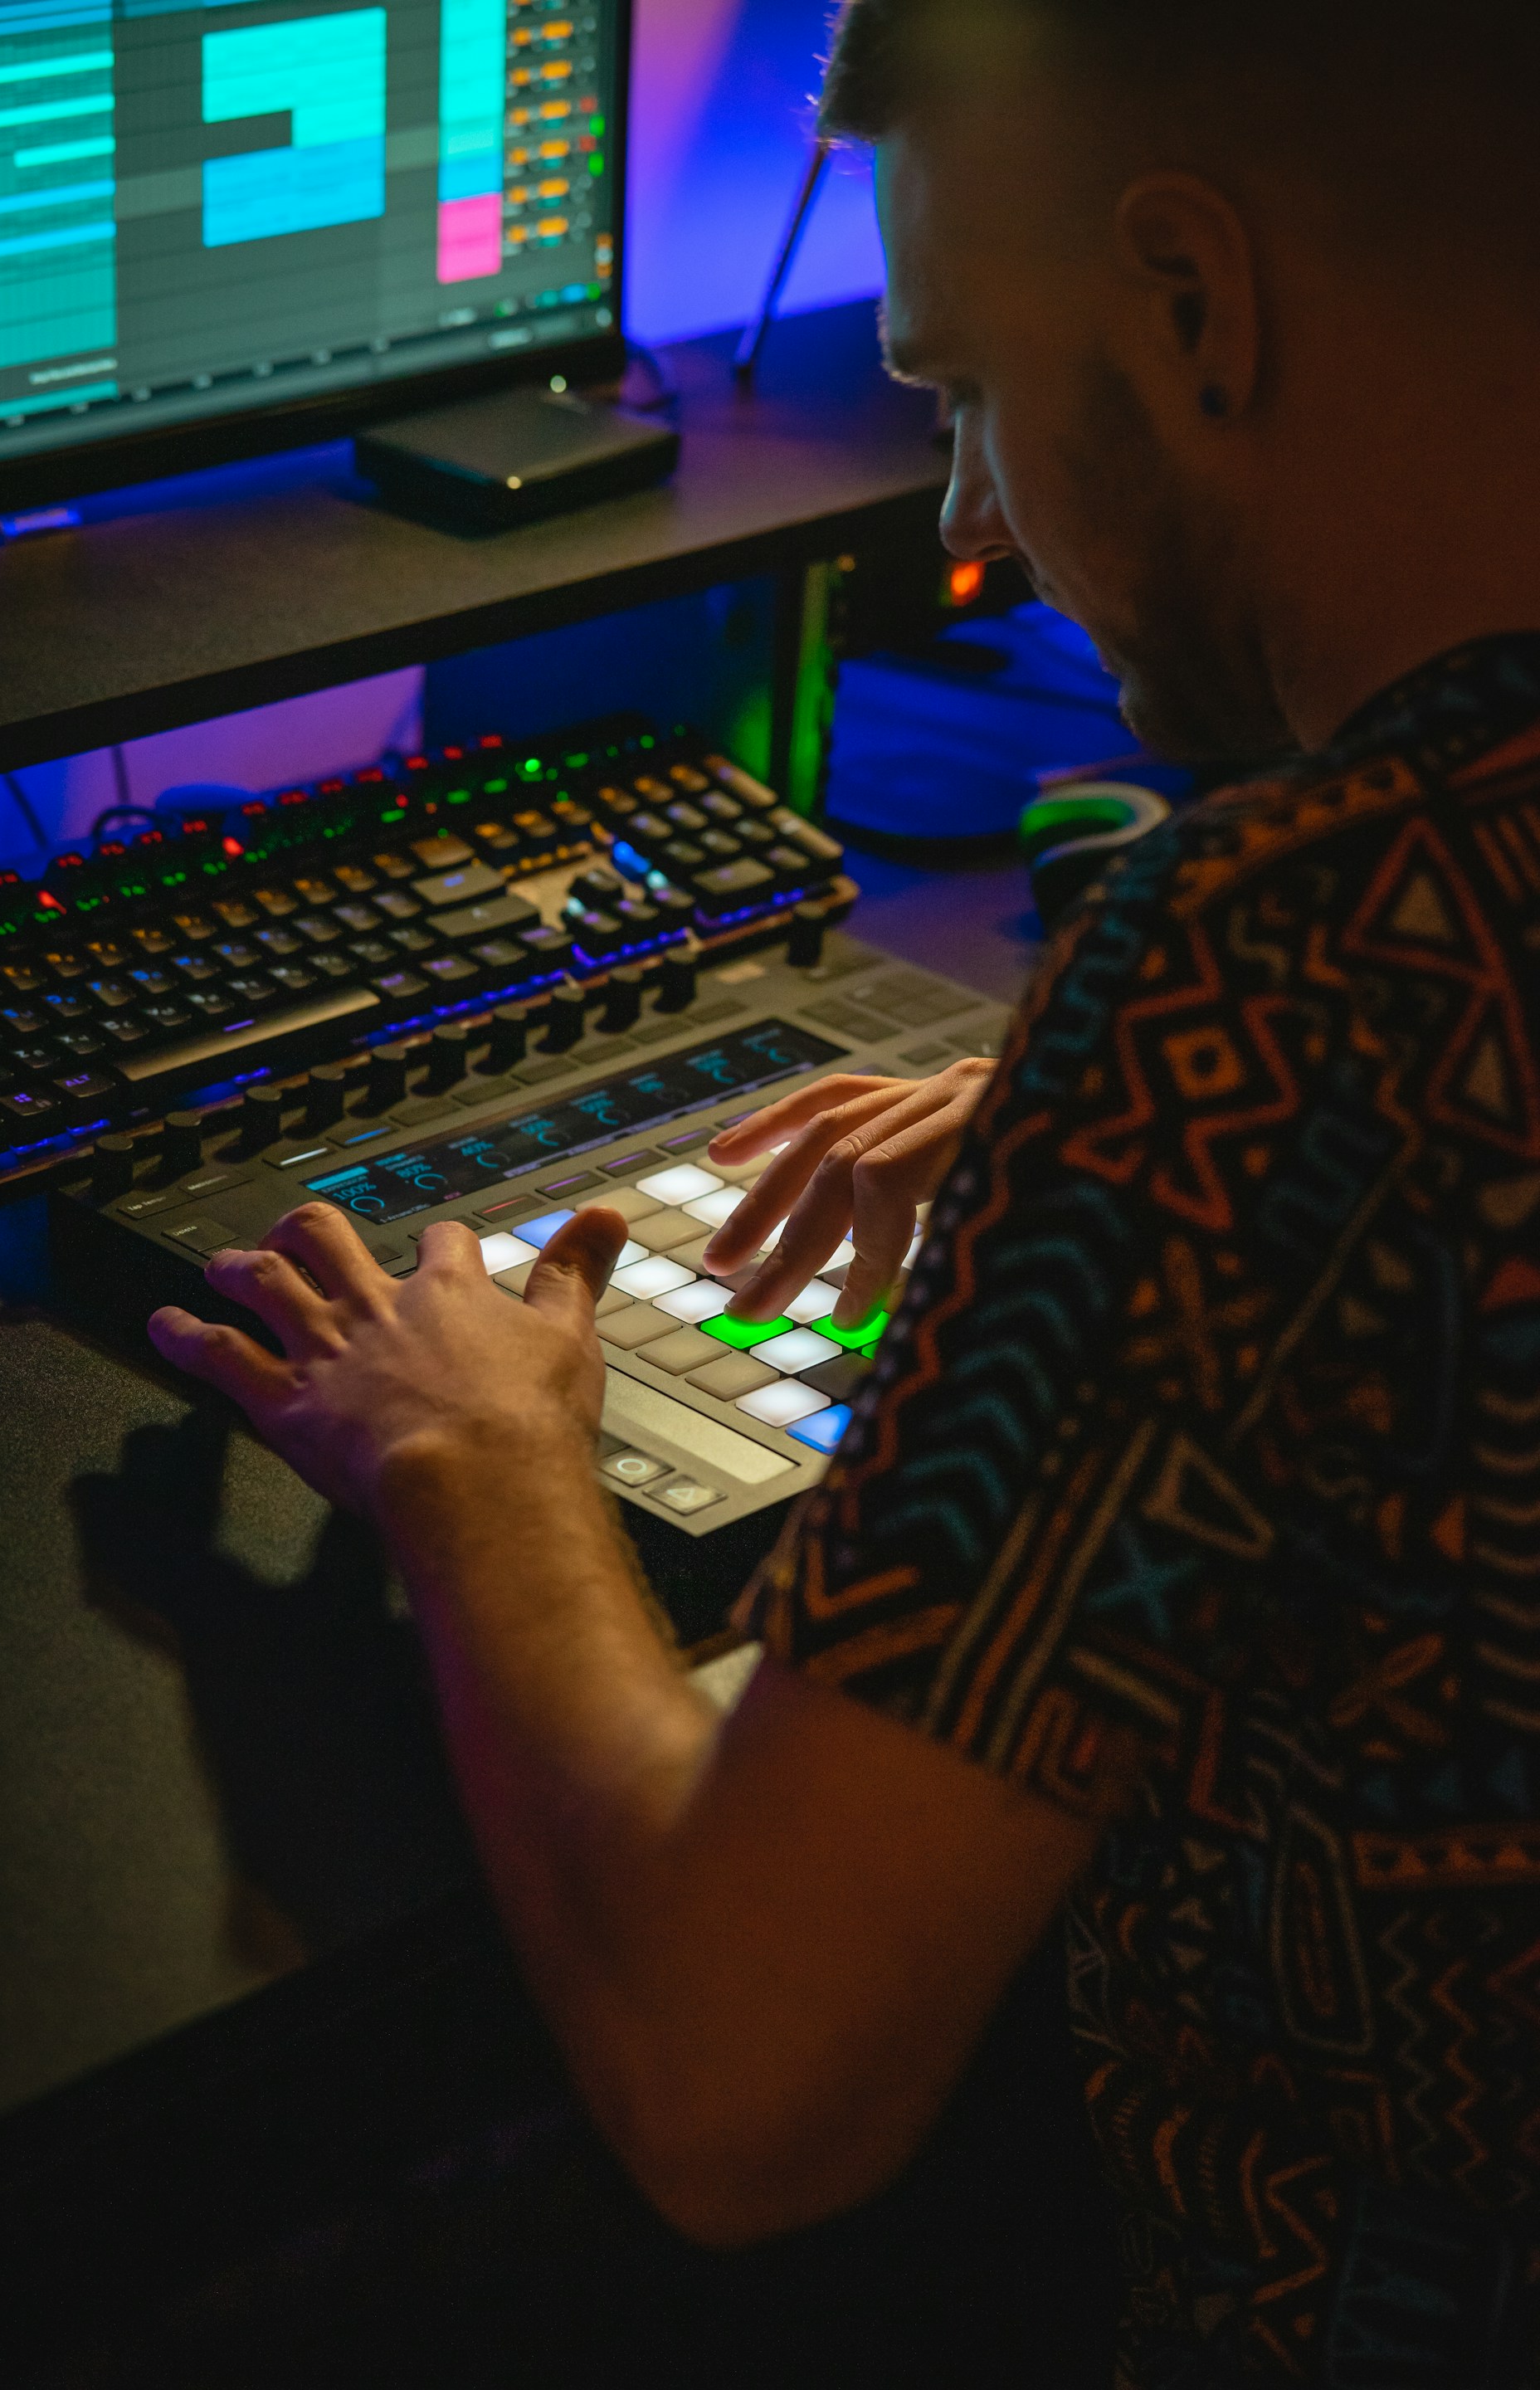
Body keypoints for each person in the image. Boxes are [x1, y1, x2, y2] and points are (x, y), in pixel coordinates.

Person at [149, 2, 1540, 2380]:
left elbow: (740, 2084)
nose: (969, 521)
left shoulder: (1276, 968)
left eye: (971, 390)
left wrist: (479, 1460)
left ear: (1198, 309)